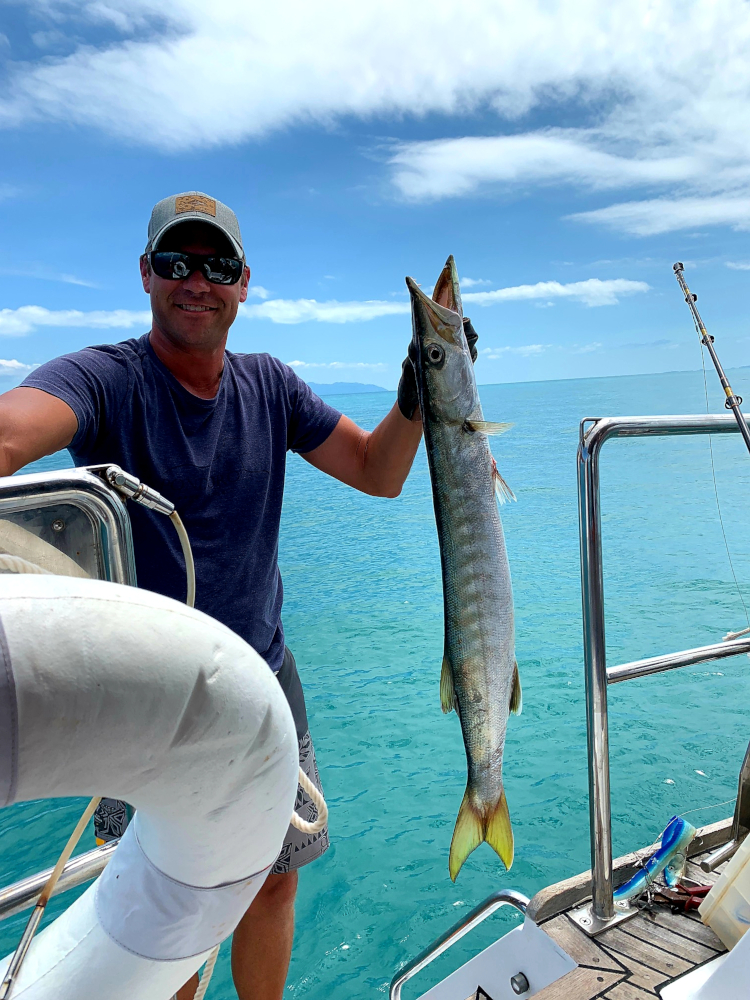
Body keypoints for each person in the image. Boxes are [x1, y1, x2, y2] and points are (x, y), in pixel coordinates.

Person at [0, 191, 432, 1000]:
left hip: (264, 679)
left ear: (243, 283)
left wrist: (421, 386)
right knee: (165, 913)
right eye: (176, 262)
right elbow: (10, 432)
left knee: (272, 885)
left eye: (216, 265)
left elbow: (379, 472)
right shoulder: (105, 379)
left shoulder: (271, 385)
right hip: (143, 698)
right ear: (145, 274)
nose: (195, 281)